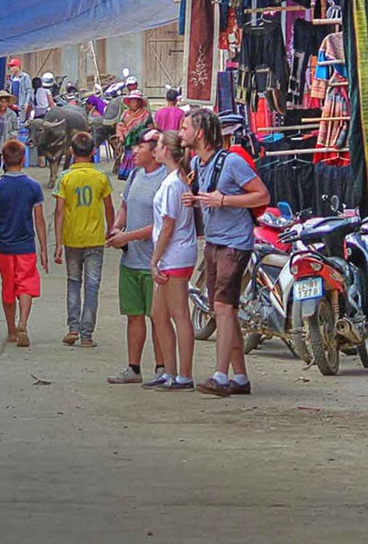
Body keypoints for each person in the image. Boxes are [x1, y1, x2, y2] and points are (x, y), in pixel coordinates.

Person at [180, 108, 270, 397]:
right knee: (224, 310)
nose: (182, 132)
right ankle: (240, 377)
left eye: (185, 128)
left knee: (223, 307)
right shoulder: (198, 162)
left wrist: (224, 200)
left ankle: (221, 375)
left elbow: (262, 195)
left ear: (201, 133)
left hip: (234, 243)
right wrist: (198, 201)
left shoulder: (231, 161)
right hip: (215, 241)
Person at [105, 129, 169, 384]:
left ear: (154, 151)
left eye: (139, 147)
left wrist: (127, 237)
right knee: (133, 315)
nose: (134, 151)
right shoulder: (134, 176)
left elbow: (163, 224)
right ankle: (133, 368)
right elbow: (125, 206)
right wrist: (117, 228)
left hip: (155, 261)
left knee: (158, 317)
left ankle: (162, 367)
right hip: (131, 260)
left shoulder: (167, 180)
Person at [141, 131, 199, 391]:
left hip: (174, 254)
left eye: (159, 145)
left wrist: (154, 260)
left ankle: (183, 374)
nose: (155, 149)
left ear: (167, 151)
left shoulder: (173, 184)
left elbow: (167, 226)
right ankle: (170, 371)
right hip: (173, 253)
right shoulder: (175, 181)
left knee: (178, 314)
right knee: (159, 314)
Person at [52, 132, 113, 348]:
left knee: (73, 282)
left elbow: (59, 212)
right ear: (94, 152)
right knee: (92, 286)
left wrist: (58, 242)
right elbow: (109, 207)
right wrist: (111, 230)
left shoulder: (65, 178)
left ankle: (73, 328)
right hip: (95, 239)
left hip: (72, 239)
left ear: (71, 152)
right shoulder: (101, 178)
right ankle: (87, 335)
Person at [0, 140, 49, 347]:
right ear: (23, 159)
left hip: (4, 246)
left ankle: (12, 330)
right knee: (26, 284)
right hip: (26, 246)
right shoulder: (33, 187)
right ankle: (23, 322)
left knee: (8, 286)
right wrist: (44, 249)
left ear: (3, 160)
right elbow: (39, 220)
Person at [113, 90, 153, 180]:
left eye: (135, 101)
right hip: (128, 142)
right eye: (131, 101)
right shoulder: (125, 114)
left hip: (140, 142)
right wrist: (120, 135)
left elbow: (150, 128)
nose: (133, 103)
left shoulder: (146, 115)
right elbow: (120, 125)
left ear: (139, 102)